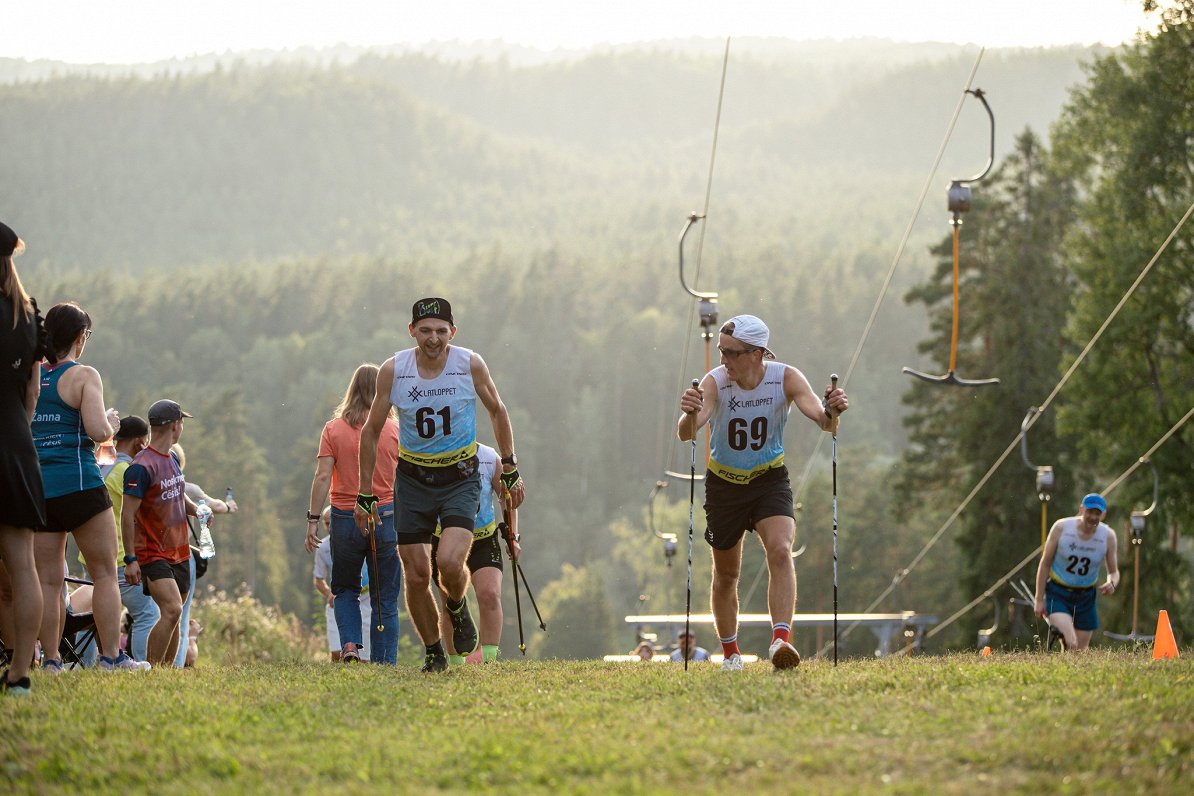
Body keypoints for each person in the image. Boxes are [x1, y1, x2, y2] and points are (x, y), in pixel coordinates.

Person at [355, 297, 526, 673]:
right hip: (413, 480)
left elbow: (497, 409)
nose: (433, 339)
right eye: (426, 331)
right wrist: (365, 493)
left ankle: (455, 604)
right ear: (412, 331)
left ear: (454, 332)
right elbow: (370, 432)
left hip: (459, 478)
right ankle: (434, 651)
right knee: (417, 574)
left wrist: (509, 463)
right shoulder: (394, 369)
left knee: (449, 562)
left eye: (441, 331)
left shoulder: (469, 363)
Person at [677, 314, 848, 672]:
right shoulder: (716, 382)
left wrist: (833, 408)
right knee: (726, 575)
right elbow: (687, 432)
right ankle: (731, 653)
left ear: (756, 354)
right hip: (724, 484)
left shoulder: (785, 377)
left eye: (731, 353)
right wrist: (688, 413)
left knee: (782, 551)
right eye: (721, 351)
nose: (723, 360)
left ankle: (781, 641)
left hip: (769, 480)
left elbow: (824, 420)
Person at [31, 301, 148, 673]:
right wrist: (111, 422)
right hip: (81, 487)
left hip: (41, 489)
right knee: (103, 575)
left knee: (50, 583)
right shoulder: (83, 376)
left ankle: (50, 661)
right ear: (80, 337)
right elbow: (99, 432)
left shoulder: (33, 375)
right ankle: (112, 657)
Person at [306, 363, 401, 664]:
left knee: (345, 588)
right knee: (384, 596)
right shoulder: (394, 430)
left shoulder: (333, 430)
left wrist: (312, 520)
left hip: (344, 517)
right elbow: (405, 478)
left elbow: (322, 476)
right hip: (385, 515)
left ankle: (349, 645)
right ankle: (384, 661)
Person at [121, 399, 205, 667]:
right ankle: (153, 671)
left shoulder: (171, 460)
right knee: (171, 610)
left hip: (179, 550)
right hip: (152, 552)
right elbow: (127, 514)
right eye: (181, 422)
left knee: (175, 616)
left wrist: (197, 510)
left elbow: (178, 495)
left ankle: (167, 674)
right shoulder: (141, 466)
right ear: (174, 425)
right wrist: (131, 559)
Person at [0, 221, 45, 695]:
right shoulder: (28, 314)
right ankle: (20, 674)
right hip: (16, 446)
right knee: (23, 567)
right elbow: (31, 393)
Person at [433, 442, 517, 664]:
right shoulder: (435, 454)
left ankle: (488, 660)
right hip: (446, 539)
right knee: (451, 603)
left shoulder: (490, 457)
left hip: (483, 539)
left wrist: (512, 537)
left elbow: (506, 498)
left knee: (490, 594)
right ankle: (457, 664)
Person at [170, 442, 236, 668]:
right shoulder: (188, 489)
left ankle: (155, 662)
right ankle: (176, 666)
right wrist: (228, 507)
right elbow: (214, 506)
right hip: (181, 554)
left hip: (151, 555)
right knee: (181, 614)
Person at [1033, 493, 1120, 651]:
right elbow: (1045, 564)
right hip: (1058, 592)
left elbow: (1114, 572)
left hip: (1086, 596)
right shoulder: (1061, 528)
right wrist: (1039, 599)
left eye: (1097, 513)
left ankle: (1064, 675)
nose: (1093, 517)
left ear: (1104, 514)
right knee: (1070, 642)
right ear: (1081, 509)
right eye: (1090, 512)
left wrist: (1112, 583)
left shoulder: (1108, 536)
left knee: (1079, 650)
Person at [311, 507, 374, 662]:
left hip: (365, 601)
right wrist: (328, 594)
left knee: (364, 657)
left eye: (332, 522)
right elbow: (318, 578)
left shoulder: (361, 538)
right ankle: (337, 683)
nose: (330, 527)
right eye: (326, 524)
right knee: (337, 653)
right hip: (339, 600)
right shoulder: (323, 547)